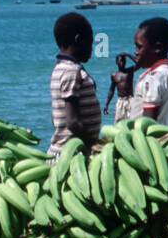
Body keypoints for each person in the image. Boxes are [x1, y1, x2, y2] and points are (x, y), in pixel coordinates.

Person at [48, 12, 101, 158]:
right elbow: (72, 122)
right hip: (71, 154)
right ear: (79, 40)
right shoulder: (71, 71)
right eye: (90, 42)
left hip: (69, 150)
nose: (92, 48)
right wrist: (94, 143)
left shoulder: (59, 68)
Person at [128, 17, 168, 126]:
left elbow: (147, 125)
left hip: (148, 142)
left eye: (139, 47)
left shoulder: (153, 78)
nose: (135, 52)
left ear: (157, 48)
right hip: (166, 139)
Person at [104, 56, 135, 123]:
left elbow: (139, 63)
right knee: (118, 122)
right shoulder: (114, 75)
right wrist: (107, 105)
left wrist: (127, 55)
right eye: (121, 61)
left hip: (130, 100)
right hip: (120, 101)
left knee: (132, 122)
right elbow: (111, 90)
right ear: (116, 62)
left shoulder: (129, 71)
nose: (122, 63)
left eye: (124, 61)